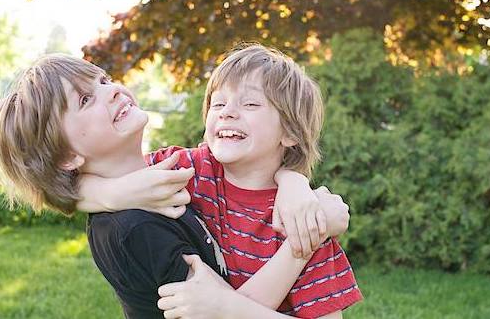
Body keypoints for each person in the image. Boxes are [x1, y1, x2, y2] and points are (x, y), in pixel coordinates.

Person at [0, 54, 351, 318]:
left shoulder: (178, 173)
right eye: (85, 99)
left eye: (102, 80)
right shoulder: (137, 225)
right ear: (68, 155)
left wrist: (294, 179)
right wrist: (305, 242)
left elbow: (68, 182)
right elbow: (221, 310)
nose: (111, 90)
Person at [82, 44, 363, 318]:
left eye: (250, 103)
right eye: (218, 103)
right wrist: (111, 193)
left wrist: (227, 309)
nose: (227, 111)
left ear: (289, 133)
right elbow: (70, 183)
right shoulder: (190, 170)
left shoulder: (302, 221)